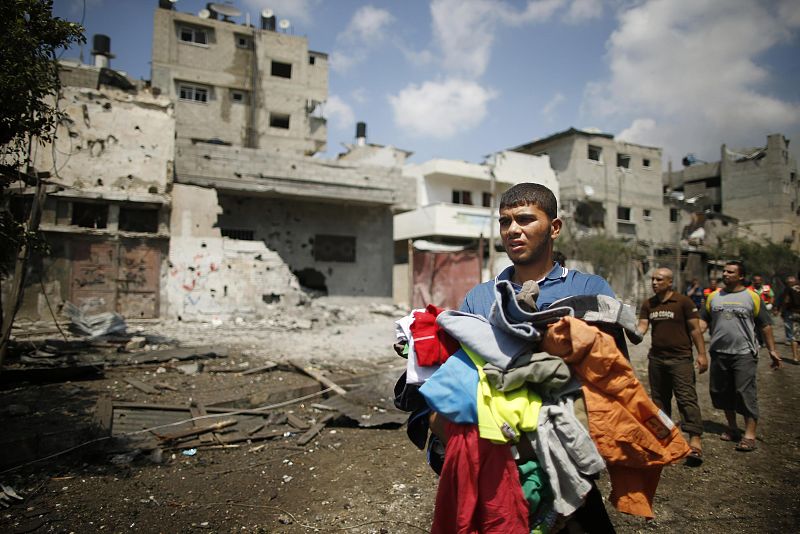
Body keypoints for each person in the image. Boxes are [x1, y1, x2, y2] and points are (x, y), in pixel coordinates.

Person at [443, 182, 616, 532]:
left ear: (554, 227)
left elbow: (607, 377)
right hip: (499, 462)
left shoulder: (589, 290)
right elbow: (462, 378)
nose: (512, 230)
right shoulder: (479, 297)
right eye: (505, 222)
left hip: (566, 461)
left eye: (524, 219)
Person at [702, 260, 782, 452]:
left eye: (730, 272)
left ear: (741, 276)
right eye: (724, 271)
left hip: (744, 353)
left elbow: (765, 325)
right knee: (722, 391)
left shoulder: (752, 297)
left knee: (744, 392)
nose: (725, 274)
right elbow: (703, 323)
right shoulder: (713, 296)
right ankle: (732, 428)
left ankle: (750, 435)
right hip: (719, 353)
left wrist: (772, 350)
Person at [638, 267, 708, 465]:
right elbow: (642, 327)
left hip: (681, 359)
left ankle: (694, 441)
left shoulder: (683, 302)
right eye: (652, 279)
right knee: (659, 401)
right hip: (657, 360)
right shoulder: (648, 304)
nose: (654, 282)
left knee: (686, 398)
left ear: (670, 282)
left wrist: (702, 354)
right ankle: (664, 440)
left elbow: (695, 330)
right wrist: (631, 330)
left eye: (659, 279)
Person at [776, 275, 800, 363]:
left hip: (794, 313)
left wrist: (782, 311)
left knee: (794, 336)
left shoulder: (790, 288)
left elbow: (786, 301)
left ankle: (795, 357)